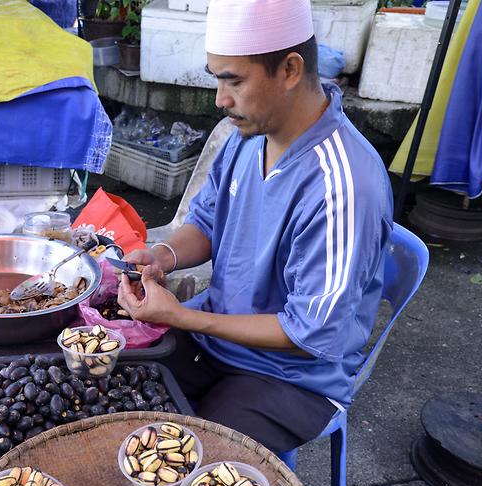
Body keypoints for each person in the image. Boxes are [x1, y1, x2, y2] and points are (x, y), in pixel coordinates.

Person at [116, 0, 394, 454]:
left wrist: (181, 316)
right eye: (217, 78)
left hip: (292, 379)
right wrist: (162, 255)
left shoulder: (344, 187)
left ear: (289, 69)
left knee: (181, 463)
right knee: (108, 391)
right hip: (216, 339)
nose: (220, 99)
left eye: (234, 81)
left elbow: (308, 334)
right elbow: (207, 222)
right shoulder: (244, 136)